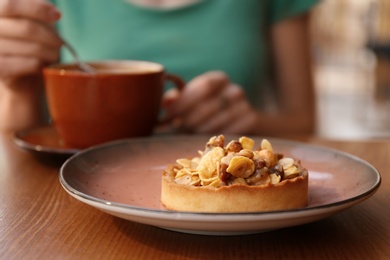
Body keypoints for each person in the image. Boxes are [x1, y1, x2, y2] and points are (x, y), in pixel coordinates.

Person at [0, 0, 318, 137]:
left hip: (231, 208)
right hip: (70, 203)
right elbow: (18, 141)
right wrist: (17, 89)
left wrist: (250, 123)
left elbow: (305, 123)